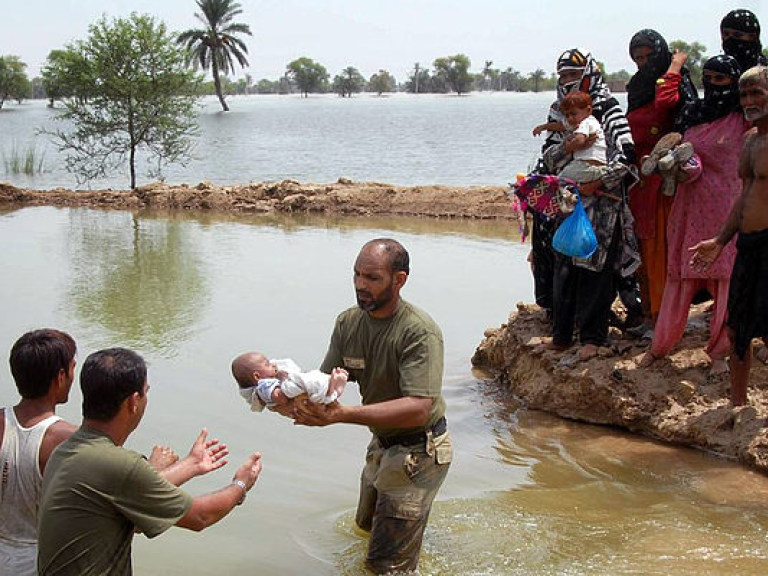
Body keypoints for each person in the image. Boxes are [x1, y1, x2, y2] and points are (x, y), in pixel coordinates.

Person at [293, 238, 452, 575]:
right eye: (356, 275)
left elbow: (419, 408)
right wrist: (283, 392)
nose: (360, 285)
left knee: (385, 566)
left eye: (372, 278)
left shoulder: (418, 332)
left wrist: (342, 415)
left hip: (419, 452)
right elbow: (325, 383)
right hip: (382, 444)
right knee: (365, 530)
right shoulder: (348, 323)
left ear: (400, 279)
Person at [37, 347, 262, 575]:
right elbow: (200, 516)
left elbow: (131, 516)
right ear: (134, 401)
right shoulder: (118, 464)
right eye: (146, 392)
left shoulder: (67, 451)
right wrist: (241, 484)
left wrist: (191, 464)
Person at [640, 55, 748, 377]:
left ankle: (718, 353)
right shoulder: (692, 113)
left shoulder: (743, 118)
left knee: (725, 281)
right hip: (689, 206)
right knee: (681, 278)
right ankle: (659, 347)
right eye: (709, 78)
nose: (714, 85)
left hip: (728, 209)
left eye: (722, 80)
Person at [536, 48, 641, 359]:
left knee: (595, 267)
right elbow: (549, 158)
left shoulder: (607, 109)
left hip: (602, 204)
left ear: (588, 75)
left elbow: (627, 157)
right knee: (564, 265)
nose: (568, 82)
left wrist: (597, 183)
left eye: (573, 75)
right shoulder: (559, 112)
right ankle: (562, 335)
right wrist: (569, 149)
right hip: (569, 201)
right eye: (563, 76)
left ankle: (594, 337)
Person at [689, 65, 768, 406]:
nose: (750, 100)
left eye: (757, 93)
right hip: (746, 245)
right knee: (737, 329)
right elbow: (745, 195)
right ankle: (737, 406)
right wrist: (720, 241)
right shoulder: (751, 141)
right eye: (745, 94)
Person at [625, 30, 698, 334]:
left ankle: (662, 317)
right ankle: (647, 312)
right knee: (641, 247)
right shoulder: (637, 87)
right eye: (637, 58)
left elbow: (666, 102)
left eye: (648, 57)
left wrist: (674, 66)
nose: (643, 64)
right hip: (638, 180)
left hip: (660, 179)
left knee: (659, 249)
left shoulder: (672, 84)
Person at [0, 329, 78, 576]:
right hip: (41, 562)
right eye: (73, 368)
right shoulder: (68, 438)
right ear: (60, 376)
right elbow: (117, 497)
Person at [231, 352, 348, 413]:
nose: (273, 365)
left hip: (299, 404)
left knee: (308, 384)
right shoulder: (264, 386)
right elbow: (280, 398)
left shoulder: (265, 384)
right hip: (294, 403)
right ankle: (332, 387)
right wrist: (285, 381)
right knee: (298, 384)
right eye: (267, 364)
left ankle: (332, 388)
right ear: (257, 376)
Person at [721, 9, 767, 73]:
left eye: (737, 35)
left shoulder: (764, 72)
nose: (730, 39)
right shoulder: (719, 72)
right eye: (726, 34)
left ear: (753, 37)